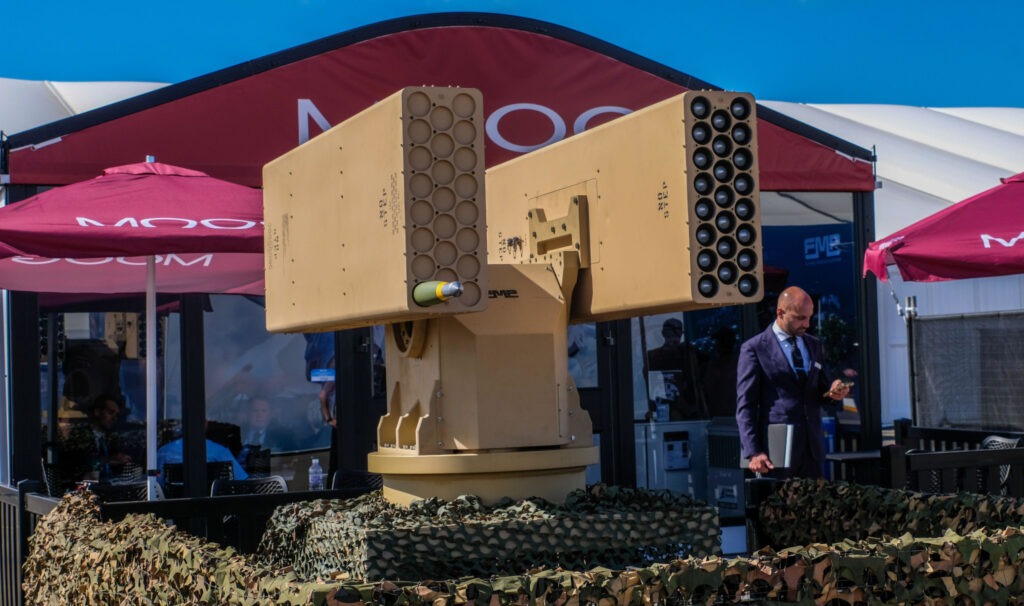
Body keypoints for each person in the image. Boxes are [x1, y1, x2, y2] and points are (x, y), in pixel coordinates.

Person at [735, 286, 850, 479]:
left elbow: (821, 389)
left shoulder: (814, 345)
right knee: (778, 507)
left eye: (809, 317)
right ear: (780, 313)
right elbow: (745, 406)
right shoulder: (754, 348)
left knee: (816, 506)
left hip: (811, 449)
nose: (807, 323)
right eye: (800, 318)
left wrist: (834, 393)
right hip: (775, 450)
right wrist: (753, 451)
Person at [645, 318, 701, 420]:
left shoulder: (688, 354)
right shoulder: (652, 357)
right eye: (669, 335)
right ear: (663, 334)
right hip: (661, 406)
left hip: (684, 408)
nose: (673, 339)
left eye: (677, 335)